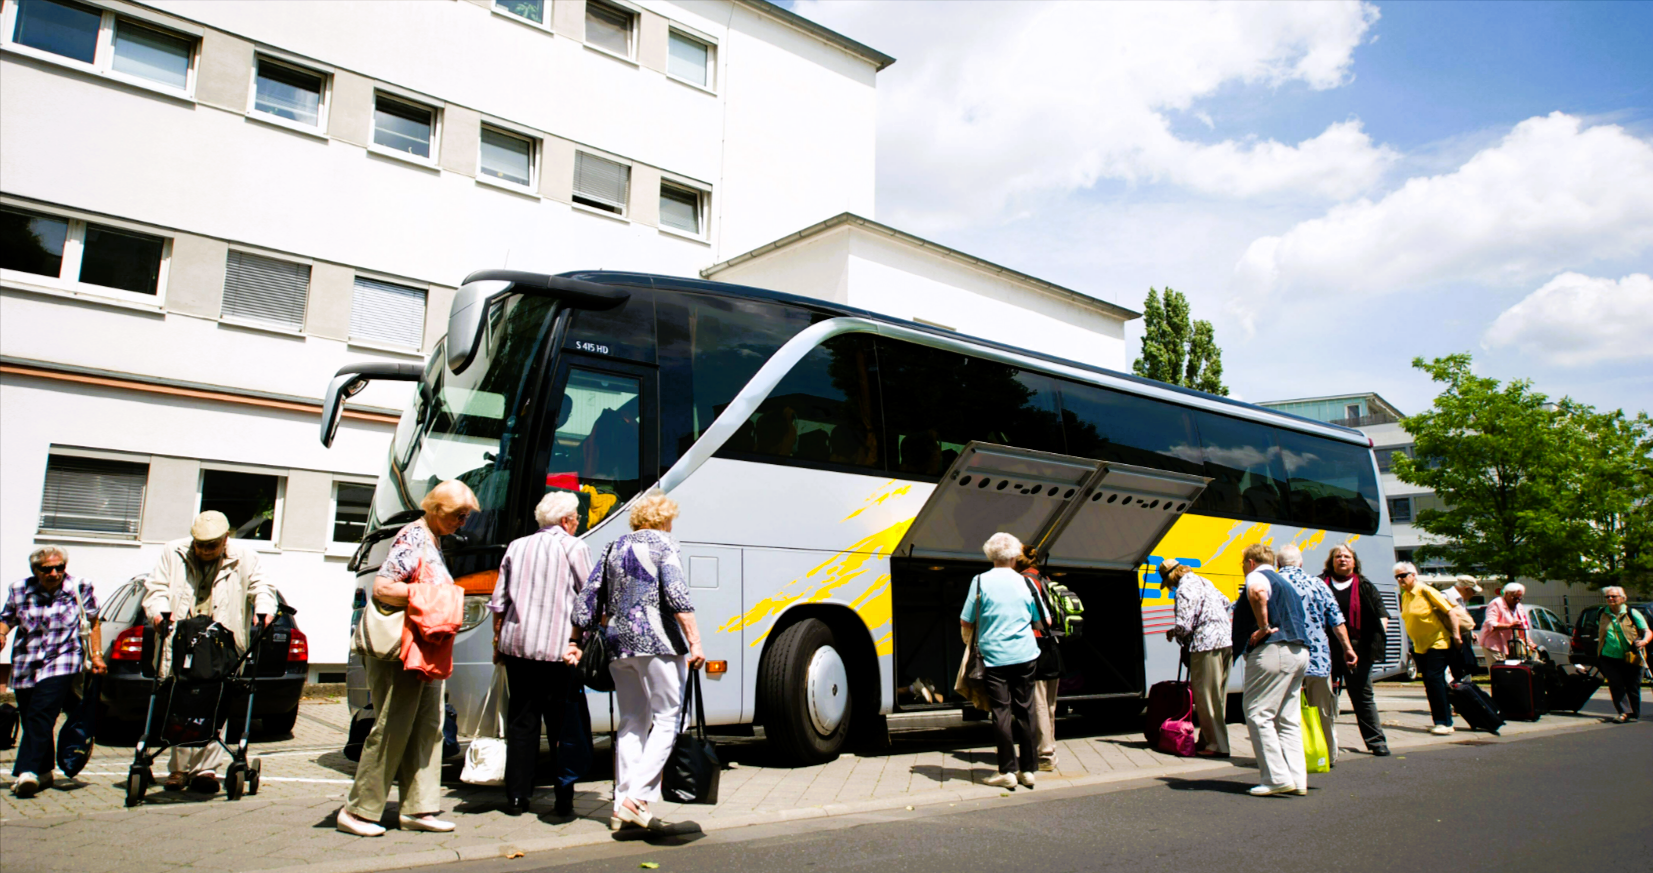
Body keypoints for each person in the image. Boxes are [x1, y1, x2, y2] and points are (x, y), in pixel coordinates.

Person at [337, 481, 478, 837]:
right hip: (401, 650)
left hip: (423, 649)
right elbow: (383, 588)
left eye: (465, 516)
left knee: (428, 727)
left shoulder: (432, 539)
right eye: (457, 515)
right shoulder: (412, 536)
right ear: (435, 509)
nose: (462, 522)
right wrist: (433, 595)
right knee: (392, 727)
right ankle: (358, 811)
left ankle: (419, 808)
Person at [571, 491, 705, 832]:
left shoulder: (613, 546)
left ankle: (621, 808)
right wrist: (695, 641)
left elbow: (588, 598)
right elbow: (676, 593)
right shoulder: (664, 543)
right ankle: (637, 798)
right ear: (663, 519)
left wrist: (575, 640)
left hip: (618, 643)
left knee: (631, 721)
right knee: (671, 718)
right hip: (655, 640)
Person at [143, 511, 277, 793]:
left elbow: (262, 585)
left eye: (211, 545)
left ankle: (207, 769)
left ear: (225, 539)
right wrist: (157, 613)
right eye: (200, 544)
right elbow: (156, 588)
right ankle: (179, 770)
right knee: (182, 701)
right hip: (182, 636)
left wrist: (264, 608)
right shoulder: (173, 551)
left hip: (222, 639)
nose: (204, 550)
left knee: (218, 698)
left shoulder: (244, 556)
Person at [489, 491, 594, 817]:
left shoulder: (517, 546)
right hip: (559, 652)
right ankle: (564, 799)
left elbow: (499, 602)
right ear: (565, 521)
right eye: (576, 518)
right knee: (563, 728)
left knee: (522, 723)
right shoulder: (574, 547)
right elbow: (588, 598)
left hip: (518, 647)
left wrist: (497, 641)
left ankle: (518, 797)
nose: (577, 523)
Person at [0, 546, 104, 798]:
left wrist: (97, 655)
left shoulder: (79, 587)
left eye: (60, 568)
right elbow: (7, 617)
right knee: (30, 715)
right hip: (26, 660)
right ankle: (45, 771)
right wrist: (2, 633)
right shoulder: (19, 589)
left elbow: (93, 621)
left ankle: (27, 771)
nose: (55, 573)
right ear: (35, 570)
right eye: (47, 569)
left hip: (63, 658)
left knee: (41, 712)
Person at [960, 532, 1043, 790]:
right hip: (1026, 655)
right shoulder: (1026, 582)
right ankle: (1028, 770)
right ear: (1015, 555)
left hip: (994, 657)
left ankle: (1007, 771)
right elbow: (1043, 619)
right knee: (1026, 710)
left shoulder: (979, 582)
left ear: (990, 554)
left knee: (1001, 712)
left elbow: (966, 620)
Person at [1232, 543, 1311, 797]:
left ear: (1250, 562)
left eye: (1243, 564)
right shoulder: (1284, 582)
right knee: (1287, 719)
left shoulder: (1257, 575)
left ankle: (1276, 777)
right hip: (1299, 652)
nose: (1244, 569)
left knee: (1257, 713)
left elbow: (1256, 592)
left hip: (1273, 651)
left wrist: (1264, 627)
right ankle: (1297, 780)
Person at [1275, 545, 1358, 767]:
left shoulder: (1273, 583)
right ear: (1300, 563)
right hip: (1318, 657)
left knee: (1286, 709)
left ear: (1278, 564)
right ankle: (1328, 754)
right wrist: (1347, 648)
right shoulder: (1318, 583)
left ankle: (1291, 758)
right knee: (1323, 708)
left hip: (1286, 655)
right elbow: (1336, 619)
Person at [1320, 544, 1391, 756]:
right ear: (1331, 561)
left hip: (1359, 648)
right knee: (1324, 697)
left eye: (1347, 556)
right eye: (1338, 556)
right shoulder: (1320, 583)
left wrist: (1377, 637)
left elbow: (1382, 614)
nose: (1342, 559)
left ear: (1354, 561)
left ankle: (1376, 742)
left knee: (1362, 696)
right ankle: (1325, 743)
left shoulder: (1365, 585)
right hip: (1327, 648)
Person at [1159, 557, 1233, 758]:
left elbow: (1184, 625)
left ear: (1172, 576)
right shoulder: (1204, 581)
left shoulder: (1183, 590)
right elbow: (1226, 602)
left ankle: (1217, 745)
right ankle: (1209, 739)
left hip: (1206, 644)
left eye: (1169, 583)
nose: (1171, 587)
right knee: (1218, 697)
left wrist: (1174, 634)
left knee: (1205, 696)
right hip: (1226, 641)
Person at [1395, 563, 1457, 735]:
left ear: (1414, 575)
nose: (1400, 579)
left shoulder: (1425, 590)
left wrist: (1457, 636)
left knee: (1434, 679)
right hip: (1420, 646)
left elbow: (1450, 612)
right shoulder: (1406, 595)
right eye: (1397, 577)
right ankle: (1440, 720)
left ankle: (1445, 722)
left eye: (1404, 575)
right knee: (1430, 683)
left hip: (1437, 642)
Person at [1015, 545, 1061, 771]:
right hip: (1052, 645)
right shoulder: (1044, 578)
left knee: (1039, 703)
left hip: (1035, 644)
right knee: (1049, 704)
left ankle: (1045, 755)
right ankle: (1049, 749)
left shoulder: (1023, 582)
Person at [1596, 586, 1650, 724]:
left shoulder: (1632, 613)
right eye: (1608, 597)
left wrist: (1644, 641)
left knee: (1633, 686)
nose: (1610, 599)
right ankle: (1623, 712)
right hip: (1608, 656)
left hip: (1632, 656)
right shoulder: (1602, 613)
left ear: (1623, 598)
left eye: (1613, 596)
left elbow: (1647, 631)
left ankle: (1634, 713)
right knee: (1616, 684)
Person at [1478, 582, 1531, 666]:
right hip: (1494, 644)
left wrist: (1530, 643)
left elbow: (1523, 626)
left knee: (1510, 671)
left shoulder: (1519, 606)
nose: (1517, 601)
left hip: (1510, 645)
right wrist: (1510, 625)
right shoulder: (1496, 603)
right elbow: (1490, 623)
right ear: (1506, 594)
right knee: (1498, 671)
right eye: (1514, 598)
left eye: (1519, 598)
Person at [1440, 575, 1482, 680]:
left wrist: (1471, 633)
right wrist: (1456, 636)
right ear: (1466, 589)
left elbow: (1462, 618)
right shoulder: (1445, 596)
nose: (1473, 595)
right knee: (1452, 671)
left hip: (1461, 638)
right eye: (1473, 592)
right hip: (1450, 640)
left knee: (1465, 669)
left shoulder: (1461, 599)